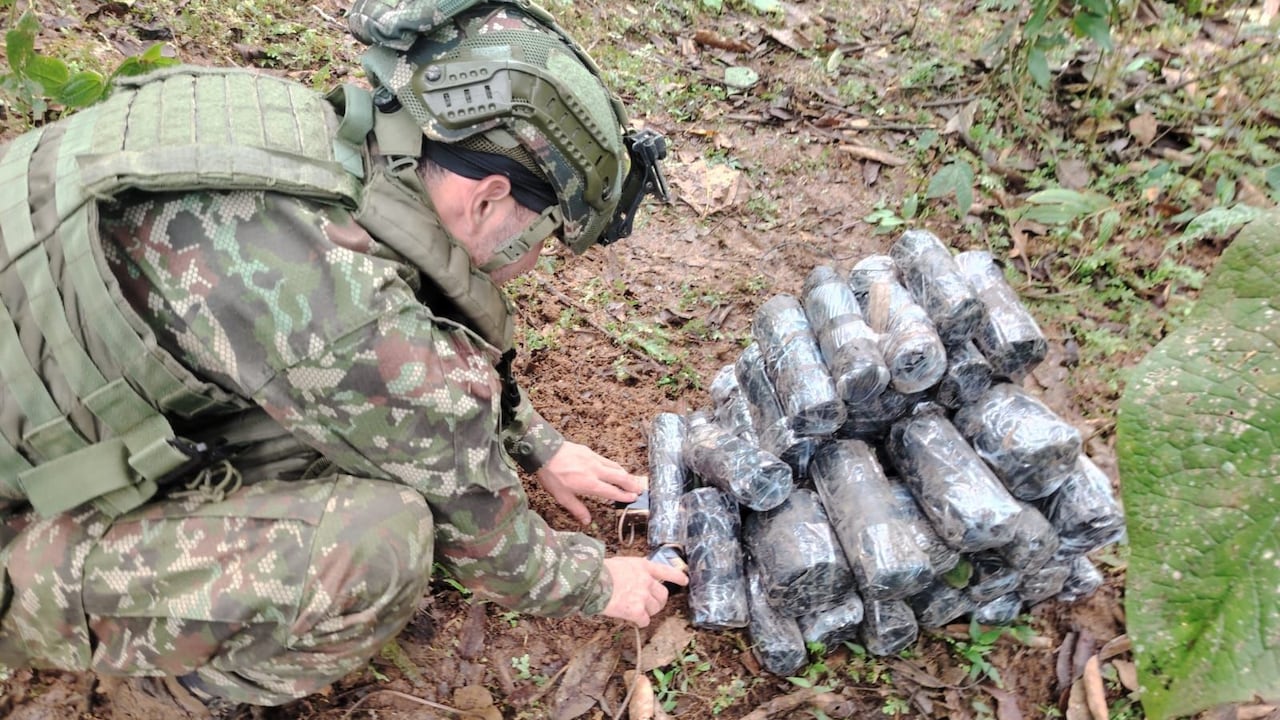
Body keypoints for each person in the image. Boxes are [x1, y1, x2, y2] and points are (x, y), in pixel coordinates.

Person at [0, 0, 684, 715]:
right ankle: (176, 694)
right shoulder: (349, 316)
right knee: (378, 544)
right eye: (546, 236)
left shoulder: (300, 137)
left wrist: (538, 445)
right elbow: (491, 543)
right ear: (488, 198)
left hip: (37, 383)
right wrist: (600, 583)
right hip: (16, 525)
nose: (537, 259)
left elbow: (395, 335)